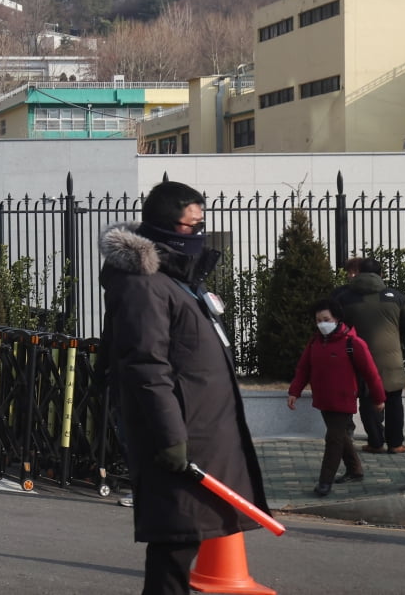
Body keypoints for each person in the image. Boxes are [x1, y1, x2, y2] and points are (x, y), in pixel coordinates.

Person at [99, 180, 269, 595]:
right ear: (162, 226)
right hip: (179, 435)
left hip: (201, 429)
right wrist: (172, 438)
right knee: (175, 539)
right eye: (188, 226)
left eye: (201, 224)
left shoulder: (180, 281)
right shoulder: (144, 285)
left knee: (185, 534)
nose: (197, 233)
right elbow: (147, 367)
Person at [287, 298, 385, 496]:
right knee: (338, 435)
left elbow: (371, 373)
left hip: (343, 399)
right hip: (323, 399)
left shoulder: (353, 343)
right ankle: (355, 470)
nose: (322, 324)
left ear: (337, 319)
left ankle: (325, 481)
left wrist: (378, 398)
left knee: (333, 439)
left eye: (326, 319)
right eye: (318, 320)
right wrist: (294, 392)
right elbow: (304, 368)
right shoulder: (315, 342)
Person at [333, 257, 405, 454]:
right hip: (391, 359)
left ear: (358, 273)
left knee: (366, 400)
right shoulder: (396, 297)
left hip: (358, 357)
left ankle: (375, 442)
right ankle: (395, 444)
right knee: (393, 400)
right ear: (381, 274)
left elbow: (337, 326)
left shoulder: (343, 297)